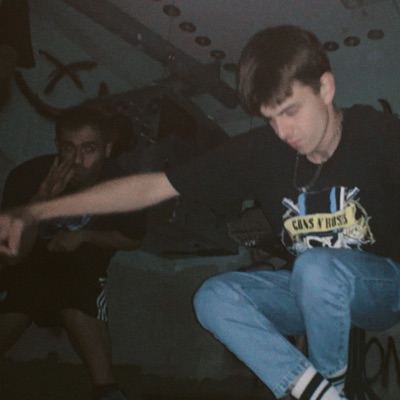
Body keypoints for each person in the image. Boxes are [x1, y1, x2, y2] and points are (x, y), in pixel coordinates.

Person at [1, 24, 400, 400]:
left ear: (325, 87)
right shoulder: (263, 152)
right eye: (270, 118)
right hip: (307, 293)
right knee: (212, 298)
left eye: (291, 111)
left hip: (382, 289)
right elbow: (152, 186)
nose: (282, 132)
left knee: (316, 268)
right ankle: (316, 392)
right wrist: (36, 211)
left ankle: (332, 386)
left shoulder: (379, 134)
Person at [0, 105, 146, 400]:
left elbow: (133, 239)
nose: (77, 160)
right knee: (20, 293)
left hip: (83, 271)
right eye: (69, 148)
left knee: (80, 285)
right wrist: (40, 200)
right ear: (57, 146)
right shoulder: (28, 176)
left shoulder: (124, 186)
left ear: (107, 149)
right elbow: (11, 256)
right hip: (28, 267)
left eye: (89, 149)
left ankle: (107, 390)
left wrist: (84, 235)